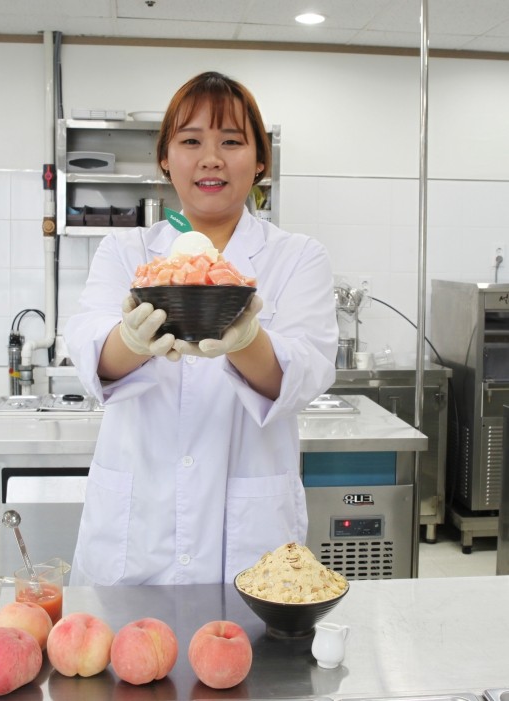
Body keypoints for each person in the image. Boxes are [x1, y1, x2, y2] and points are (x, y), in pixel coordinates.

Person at [64, 71, 338, 586]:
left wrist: (248, 341)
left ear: (260, 161)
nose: (211, 158)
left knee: (251, 663)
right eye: (191, 141)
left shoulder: (297, 257)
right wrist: (131, 341)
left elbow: (305, 373)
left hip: (248, 536)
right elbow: (89, 352)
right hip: (137, 532)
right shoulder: (126, 252)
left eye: (231, 141)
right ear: (166, 158)